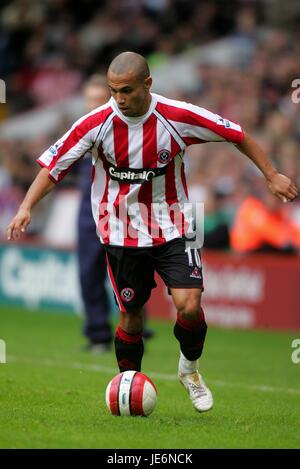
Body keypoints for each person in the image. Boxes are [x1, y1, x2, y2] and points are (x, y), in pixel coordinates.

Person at [7, 52, 298, 413]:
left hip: (176, 224)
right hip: (119, 233)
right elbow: (54, 167)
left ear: (147, 84)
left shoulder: (178, 117)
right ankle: (130, 389)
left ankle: (189, 371)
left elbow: (236, 134)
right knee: (131, 316)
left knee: (189, 307)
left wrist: (271, 174)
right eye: (114, 91)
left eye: (127, 90)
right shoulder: (95, 124)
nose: (120, 99)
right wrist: (26, 206)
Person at [77, 75, 113, 352]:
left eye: (97, 100)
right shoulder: (80, 131)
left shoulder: (121, 131)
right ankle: (98, 334)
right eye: (89, 100)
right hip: (88, 216)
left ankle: (136, 328)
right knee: (89, 274)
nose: (92, 106)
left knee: (130, 275)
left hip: (122, 214)